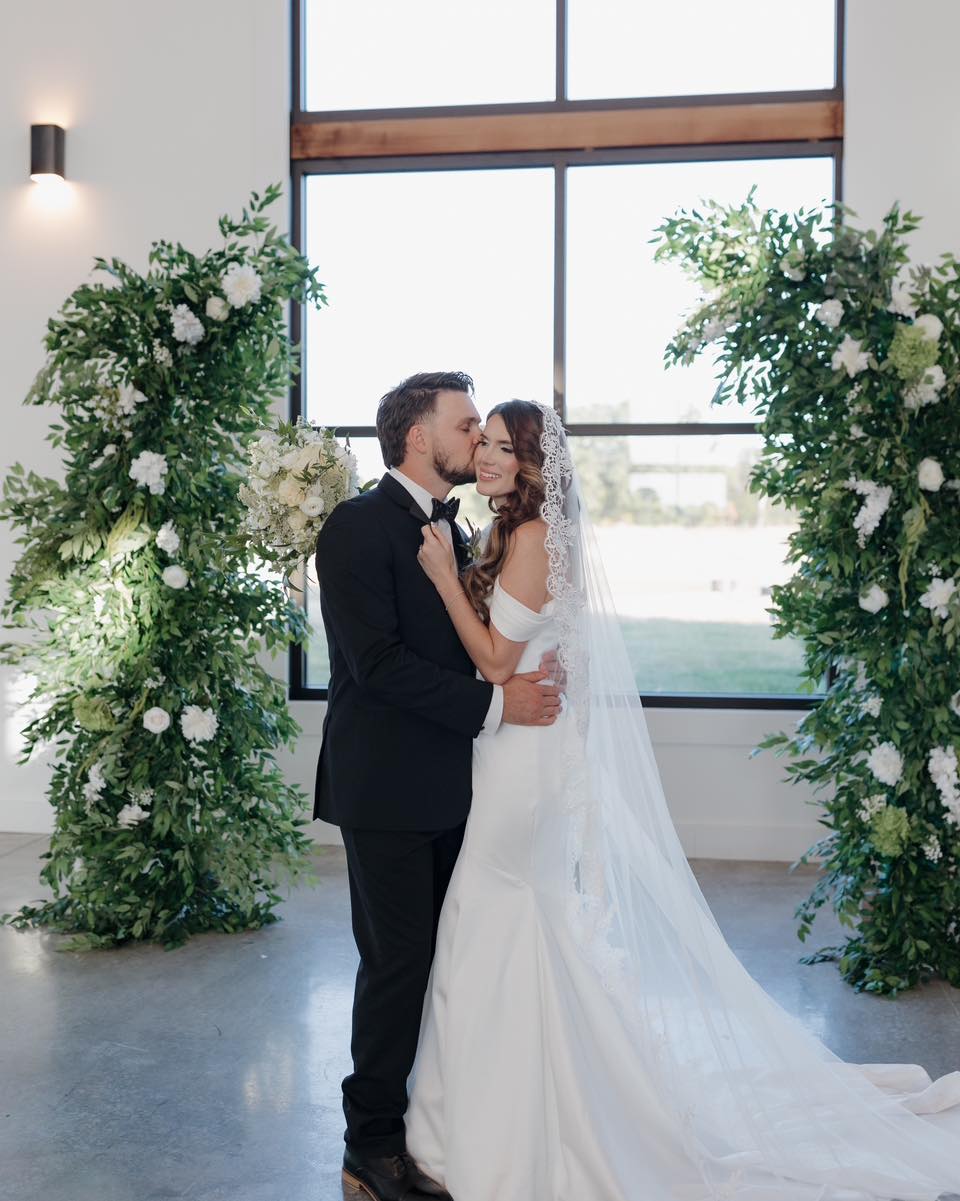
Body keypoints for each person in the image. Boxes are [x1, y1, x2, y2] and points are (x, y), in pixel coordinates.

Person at [405, 398, 960, 1201]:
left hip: (522, 767)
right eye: (481, 443)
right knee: (512, 924)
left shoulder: (531, 537)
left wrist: (440, 580)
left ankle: (510, 1126)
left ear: (532, 465)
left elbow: (495, 660)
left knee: (492, 915)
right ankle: (523, 1105)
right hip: (510, 755)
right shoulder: (512, 532)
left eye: (500, 447)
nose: (486, 457)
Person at [312, 373, 562, 1201]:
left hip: (457, 786)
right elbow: (376, 667)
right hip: (383, 789)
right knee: (396, 966)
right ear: (420, 437)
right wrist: (498, 701)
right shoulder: (353, 528)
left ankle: (440, 1127)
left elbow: (478, 639)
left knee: (447, 960)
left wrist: (516, 675)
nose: (478, 441)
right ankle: (370, 1151)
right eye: (465, 425)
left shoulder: (454, 531)